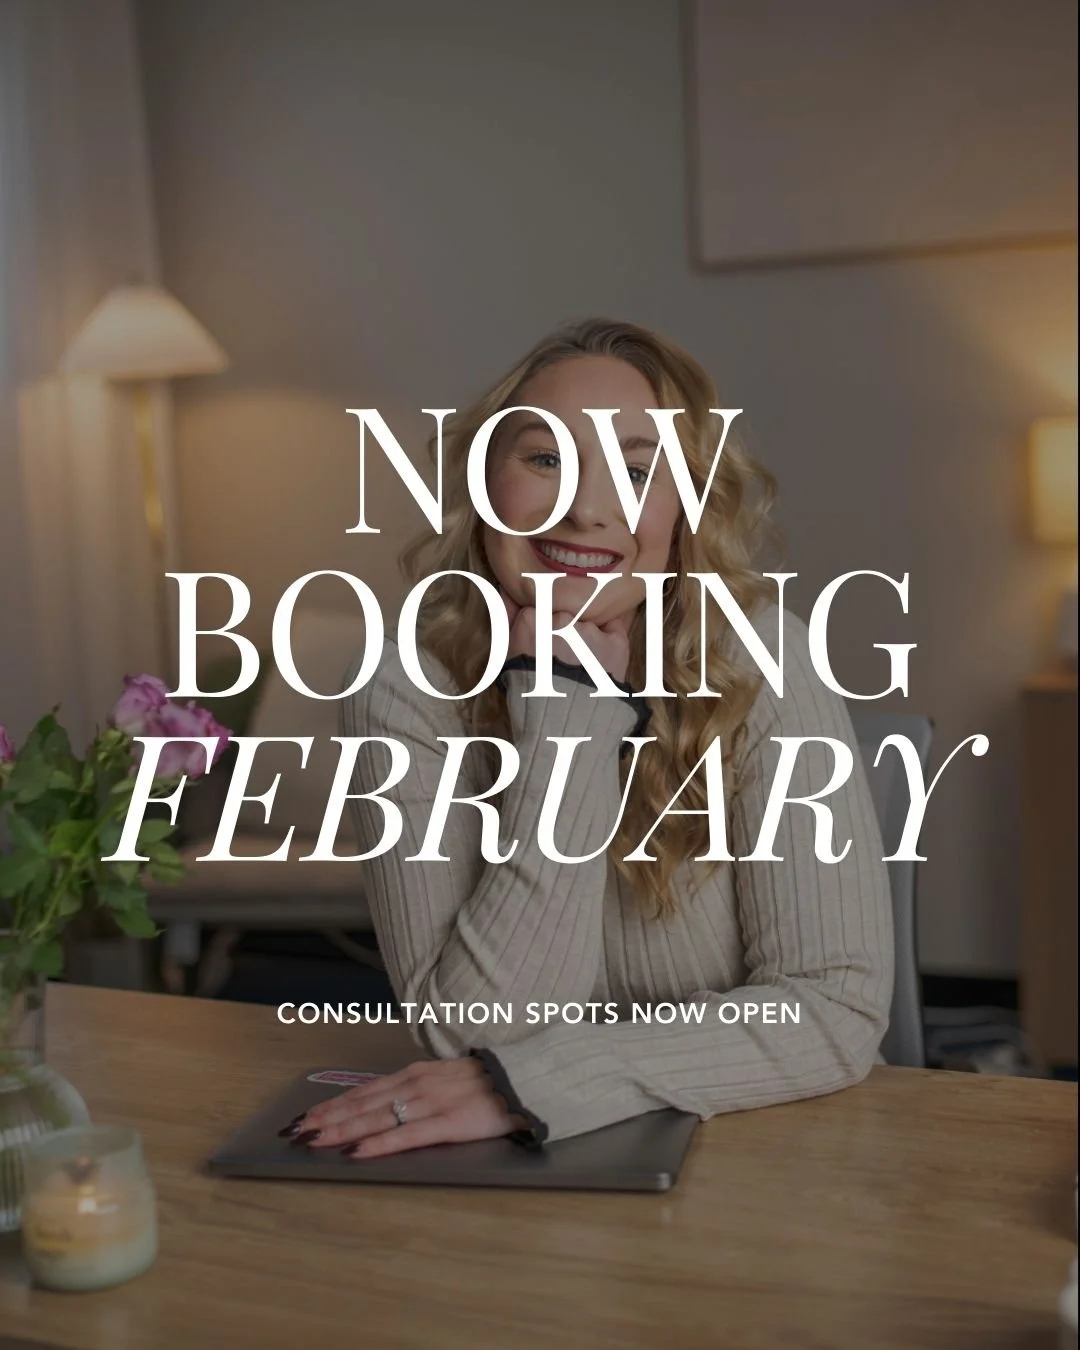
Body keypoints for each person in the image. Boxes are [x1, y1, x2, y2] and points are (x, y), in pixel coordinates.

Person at [281, 318, 893, 1159]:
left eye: (639, 471)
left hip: (764, 1149)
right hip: (506, 1175)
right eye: (544, 458)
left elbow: (836, 1008)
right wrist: (566, 716)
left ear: (684, 512)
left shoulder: (760, 654)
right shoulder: (404, 683)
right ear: (485, 480)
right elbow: (470, 1036)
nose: (585, 507)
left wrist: (544, 1080)